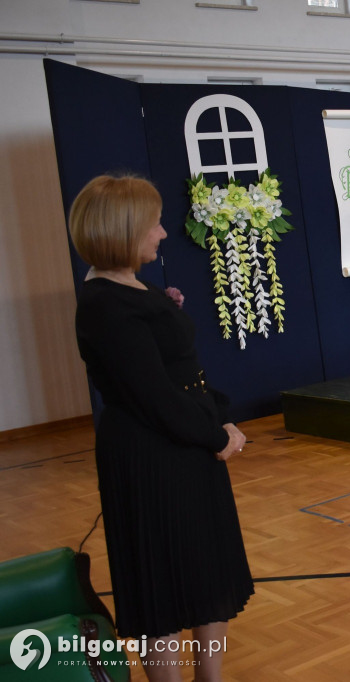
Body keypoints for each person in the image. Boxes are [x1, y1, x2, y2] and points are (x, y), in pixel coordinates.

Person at [70, 175, 253, 682]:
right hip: (153, 456)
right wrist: (216, 436)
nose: (163, 233)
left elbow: (180, 372)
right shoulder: (105, 304)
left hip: (186, 442)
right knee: (163, 583)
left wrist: (217, 416)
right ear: (125, 230)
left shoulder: (130, 285)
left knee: (204, 568)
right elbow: (153, 396)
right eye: (153, 223)